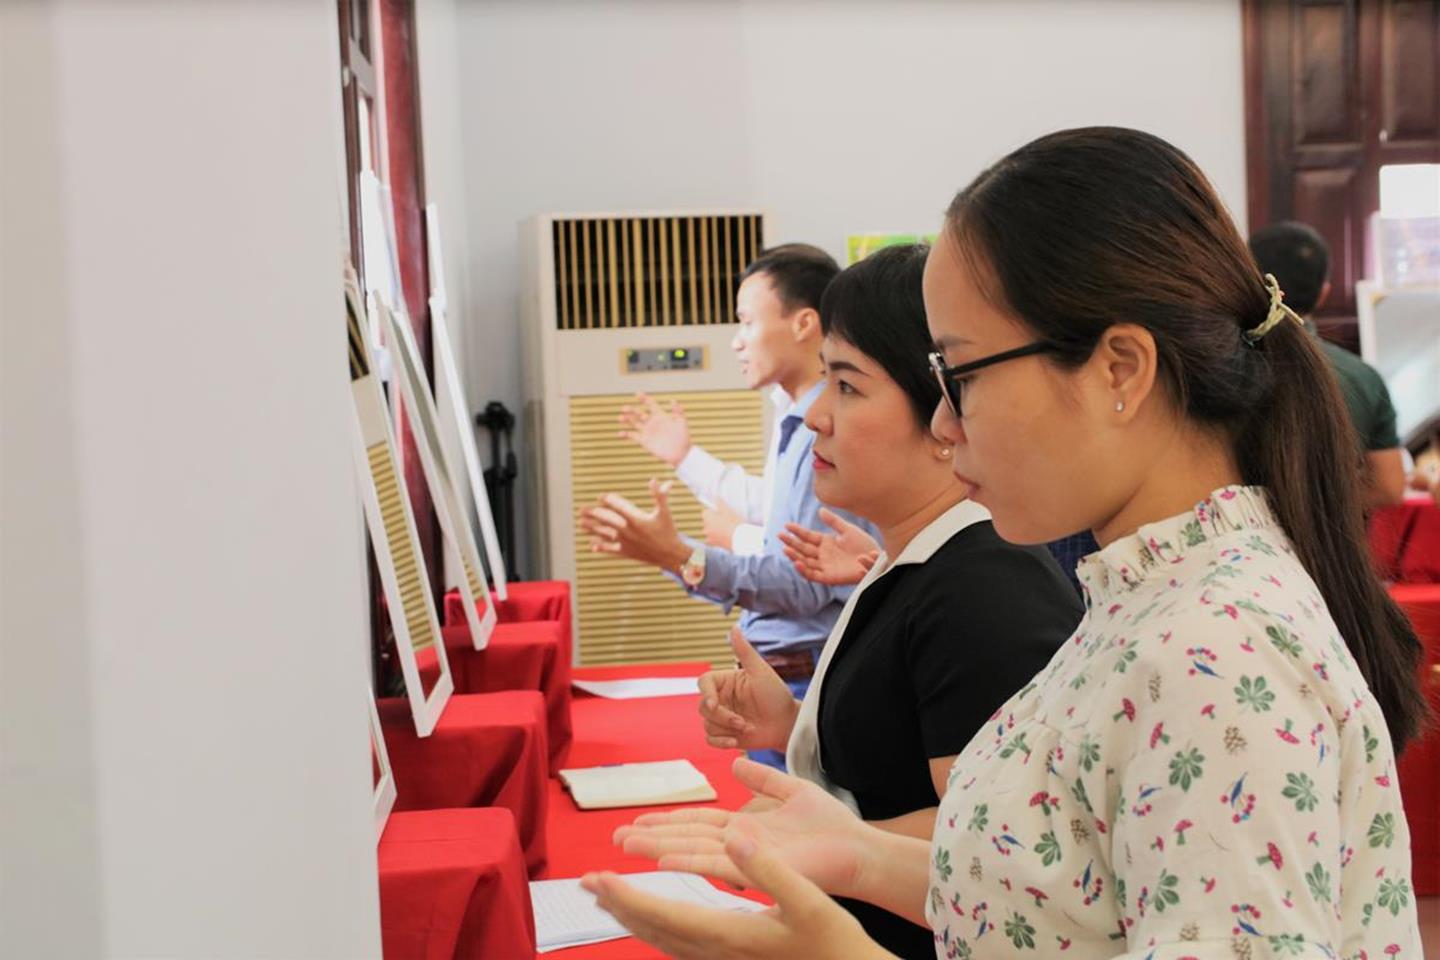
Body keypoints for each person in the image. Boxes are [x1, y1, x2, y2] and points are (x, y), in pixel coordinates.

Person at [584, 127, 1426, 959]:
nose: (945, 424)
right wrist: (859, 854)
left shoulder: (1216, 648)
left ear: (1120, 369)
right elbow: (1070, 896)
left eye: (962, 377)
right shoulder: (1149, 590)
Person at [689, 244, 1080, 958]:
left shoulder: (983, 587)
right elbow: (898, 759)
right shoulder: (915, 558)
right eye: (824, 383)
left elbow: (986, 842)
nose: (817, 417)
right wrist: (793, 726)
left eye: (847, 387)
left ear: (944, 422)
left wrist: (810, 843)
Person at [579, 244, 878, 769]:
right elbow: (773, 512)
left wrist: (680, 556)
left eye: (747, 321)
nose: (737, 341)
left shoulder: (819, 428)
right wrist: (685, 461)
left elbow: (802, 583)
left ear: (804, 323)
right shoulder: (795, 419)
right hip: (789, 671)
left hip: (803, 675)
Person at [1250, 221, 1407, 510]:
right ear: (1324, 293)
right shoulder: (1363, 377)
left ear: (1248, 281)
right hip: (1331, 534)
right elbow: (1388, 487)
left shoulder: (1220, 366)